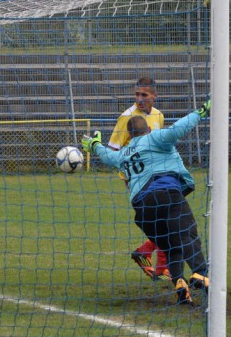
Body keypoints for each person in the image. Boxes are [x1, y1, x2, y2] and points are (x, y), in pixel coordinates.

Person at [83, 100, 212, 305]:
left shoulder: (124, 154)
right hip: (165, 194)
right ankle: (201, 273)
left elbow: (107, 156)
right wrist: (201, 112)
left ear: (129, 136)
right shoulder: (155, 138)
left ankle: (179, 282)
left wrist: (94, 145)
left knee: (171, 244)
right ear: (149, 128)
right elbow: (178, 128)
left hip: (143, 211)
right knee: (188, 231)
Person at [108, 77, 169, 281]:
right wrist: (130, 175)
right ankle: (157, 262)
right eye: (137, 95)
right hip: (136, 178)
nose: (139, 99)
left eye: (144, 95)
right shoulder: (127, 117)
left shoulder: (159, 116)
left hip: (157, 174)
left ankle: (152, 258)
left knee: (164, 219)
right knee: (164, 218)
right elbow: (113, 150)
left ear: (154, 96)